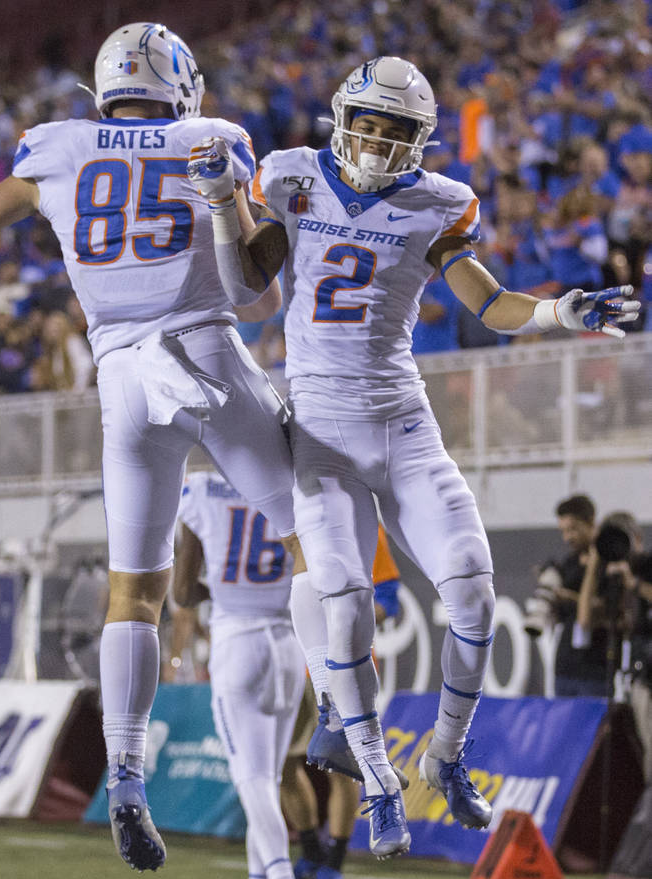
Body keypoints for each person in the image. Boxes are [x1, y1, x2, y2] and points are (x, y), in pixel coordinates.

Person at [187, 56, 641, 832]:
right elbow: (243, 292)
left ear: (418, 139)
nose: (375, 139)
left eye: (395, 130)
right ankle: (376, 782)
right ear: (343, 118)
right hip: (322, 434)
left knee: (471, 590)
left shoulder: (438, 204)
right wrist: (226, 205)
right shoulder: (294, 176)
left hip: (403, 424)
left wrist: (561, 313)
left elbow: (489, 302)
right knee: (343, 607)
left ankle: (445, 755)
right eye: (367, 122)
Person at [0, 22, 307, 875]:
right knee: (313, 537)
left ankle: (127, 775)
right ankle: (355, 733)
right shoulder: (209, 139)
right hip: (203, 352)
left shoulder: (57, 146)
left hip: (122, 382)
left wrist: (33, 197)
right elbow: (257, 289)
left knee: (135, 592)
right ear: (180, 84)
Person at [173, 469, 312, 879]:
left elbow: (182, 591)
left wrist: (221, 588)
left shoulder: (203, 488)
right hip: (288, 644)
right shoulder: (293, 485)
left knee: (252, 781)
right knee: (267, 783)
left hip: (238, 641)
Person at [282, 523, 401, 879]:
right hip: (282, 663)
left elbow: (389, 598)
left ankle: (334, 864)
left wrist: (344, 616)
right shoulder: (279, 515)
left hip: (339, 662)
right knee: (280, 766)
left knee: (340, 767)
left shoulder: (358, 519)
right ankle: (311, 851)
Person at [576, 511, 652, 779]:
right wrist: (596, 564)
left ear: (637, 539)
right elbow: (584, 620)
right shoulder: (611, 574)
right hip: (637, 678)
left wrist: (634, 582)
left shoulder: (645, 566)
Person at [524, 493, 609, 698]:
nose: (567, 537)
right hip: (566, 668)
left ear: (590, 522)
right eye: (563, 531)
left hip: (596, 670)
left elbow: (608, 610)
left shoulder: (608, 564)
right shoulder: (568, 565)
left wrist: (570, 598)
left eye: (573, 529)